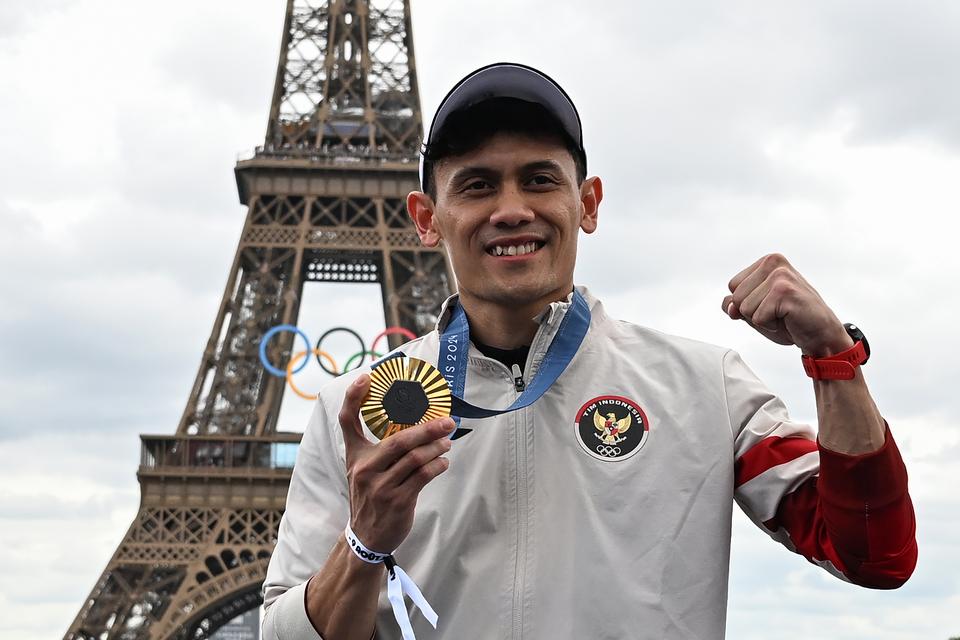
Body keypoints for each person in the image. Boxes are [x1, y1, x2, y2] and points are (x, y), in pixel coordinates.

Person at [261, 62, 917, 640]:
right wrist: (365, 541)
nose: (512, 208)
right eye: (478, 184)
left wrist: (832, 359)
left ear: (588, 203)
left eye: (540, 179)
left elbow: (874, 554)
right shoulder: (362, 413)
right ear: (427, 218)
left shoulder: (703, 387)